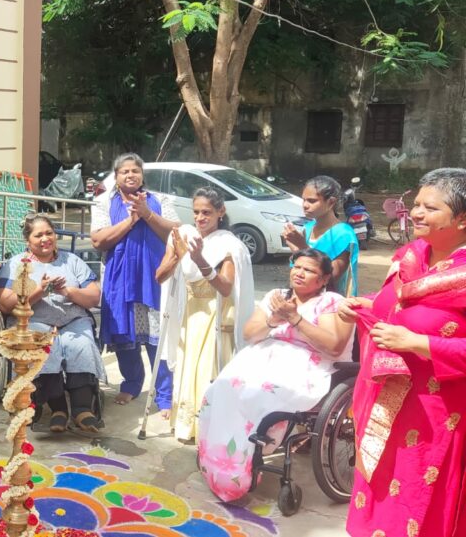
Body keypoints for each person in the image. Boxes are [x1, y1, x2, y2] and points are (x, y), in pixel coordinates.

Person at [340, 168, 466, 537]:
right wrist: (361, 306)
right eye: (416, 205)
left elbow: (414, 330)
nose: (417, 213)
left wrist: (418, 344)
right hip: (388, 411)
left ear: (462, 219)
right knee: (382, 500)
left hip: (439, 421)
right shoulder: (409, 257)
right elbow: (392, 311)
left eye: (431, 207)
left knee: (421, 504)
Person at [198, 248, 354, 501]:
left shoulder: (332, 303)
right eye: (297, 266)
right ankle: (219, 457)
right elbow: (249, 334)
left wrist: (294, 319)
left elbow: (334, 346)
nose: (300, 273)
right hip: (262, 357)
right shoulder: (276, 296)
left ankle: (242, 463)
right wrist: (273, 319)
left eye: (309, 270)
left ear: (324, 279)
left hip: (306, 365)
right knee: (223, 388)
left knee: (260, 396)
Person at [157, 187, 254, 442]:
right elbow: (160, 277)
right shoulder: (183, 236)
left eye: (207, 212)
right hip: (189, 316)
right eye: (196, 212)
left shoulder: (229, 245)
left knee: (205, 371)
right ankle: (186, 425)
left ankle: (206, 429)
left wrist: (200, 259)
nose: (200, 218)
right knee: (188, 369)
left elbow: (225, 287)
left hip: (215, 318)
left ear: (221, 212)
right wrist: (177, 255)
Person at [0, 215, 103, 433]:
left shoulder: (71, 261)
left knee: (80, 345)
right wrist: (39, 292)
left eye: (49, 233)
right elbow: (5, 303)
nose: (45, 239)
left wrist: (67, 291)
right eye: (38, 235)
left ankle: (82, 409)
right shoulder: (18, 264)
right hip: (35, 320)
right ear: (28, 240)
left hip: (72, 318)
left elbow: (93, 296)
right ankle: (58, 410)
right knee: (47, 349)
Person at [90, 153, 179, 410]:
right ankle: (132, 384)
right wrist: (131, 220)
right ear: (116, 177)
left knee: (158, 336)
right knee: (123, 332)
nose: (130, 175)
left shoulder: (161, 200)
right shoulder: (103, 203)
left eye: (135, 171)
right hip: (120, 281)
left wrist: (147, 214)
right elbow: (98, 241)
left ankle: (163, 394)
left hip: (155, 278)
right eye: (124, 171)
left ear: (142, 175)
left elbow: (176, 233)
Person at [282, 176, 359, 296]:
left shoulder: (343, 234)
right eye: (304, 200)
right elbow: (299, 270)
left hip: (328, 304)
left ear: (331, 202)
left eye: (312, 201)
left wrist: (302, 248)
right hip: (301, 298)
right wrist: (295, 250)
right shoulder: (307, 228)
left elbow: (330, 278)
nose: (305, 205)